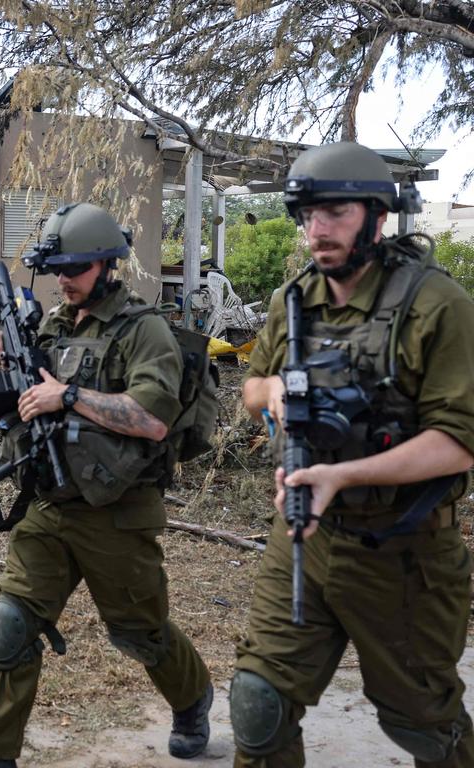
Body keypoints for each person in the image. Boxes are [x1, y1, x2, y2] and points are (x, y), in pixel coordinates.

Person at [0, 202, 213, 768]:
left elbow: (152, 418)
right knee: (11, 624)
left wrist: (71, 396)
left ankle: (193, 697)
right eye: (57, 270)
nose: (64, 281)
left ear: (107, 264)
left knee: (142, 634)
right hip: (50, 502)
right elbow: (27, 392)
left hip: (117, 511)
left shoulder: (143, 330)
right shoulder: (54, 324)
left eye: (75, 270)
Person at [233, 141, 474, 767]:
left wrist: (345, 473)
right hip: (305, 541)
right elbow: (252, 385)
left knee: (427, 728)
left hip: (405, 552)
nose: (317, 230)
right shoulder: (297, 297)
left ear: (379, 215)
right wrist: (278, 396)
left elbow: (459, 441)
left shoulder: (436, 305)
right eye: (307, 215)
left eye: (335, 212)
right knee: (258, 703)